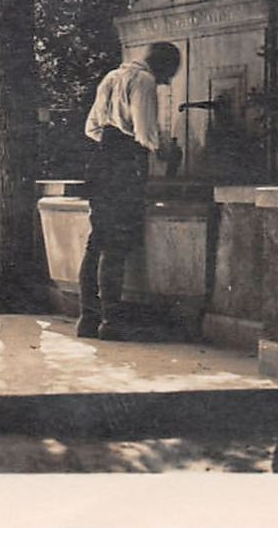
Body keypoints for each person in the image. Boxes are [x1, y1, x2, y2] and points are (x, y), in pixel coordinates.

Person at [78, 40, 182, 340]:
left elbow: (91, 127)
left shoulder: (111, 77)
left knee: (96, 241)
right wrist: (164, 152)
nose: (167, 81)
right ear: (161, 65)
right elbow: (145, 131)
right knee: (116, 245)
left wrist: (111, 145)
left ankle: (88, 318)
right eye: (170, 73)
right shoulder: (144, 80)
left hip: (100, 163)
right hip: (125, 167)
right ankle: (111, 322)